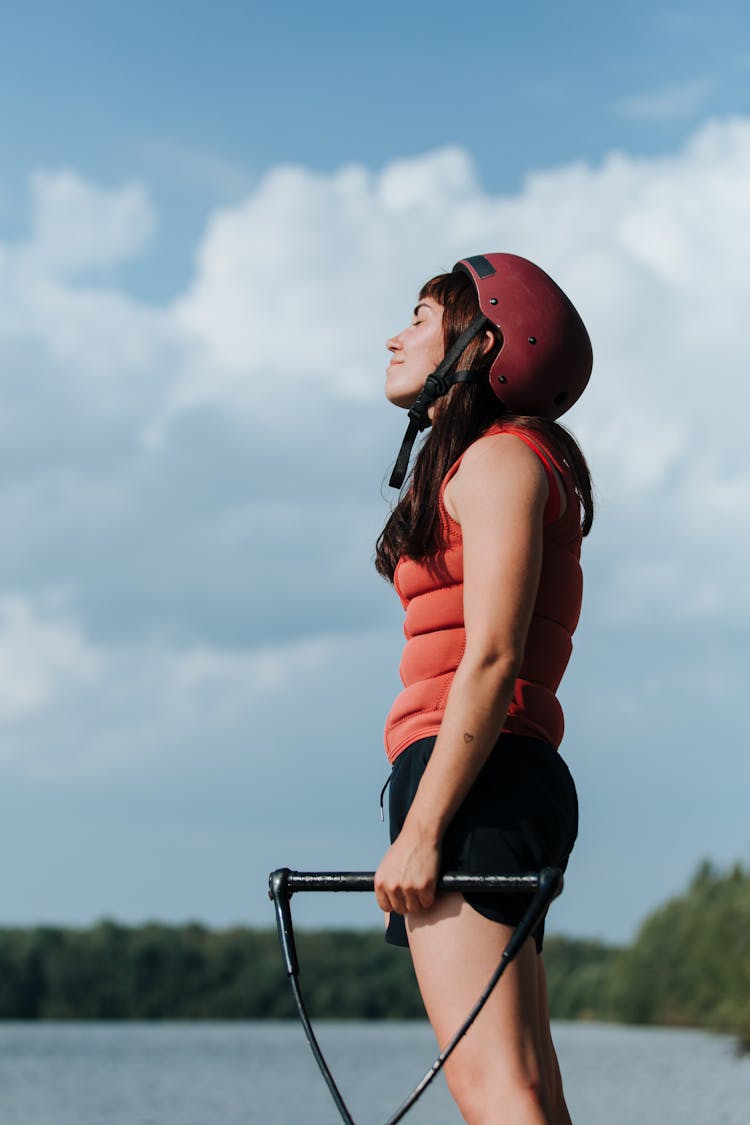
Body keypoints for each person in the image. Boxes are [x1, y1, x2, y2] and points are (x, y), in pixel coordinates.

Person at [373, 253, 594, 1125]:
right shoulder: (498, 459)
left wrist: (423, 828)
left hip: (472, 779)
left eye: (422, 316)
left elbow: (493, 656)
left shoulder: (501, 461)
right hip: (499, 776)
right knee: (532, 1088)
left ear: (484, 339)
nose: (396, 335)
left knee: (494, 1088)